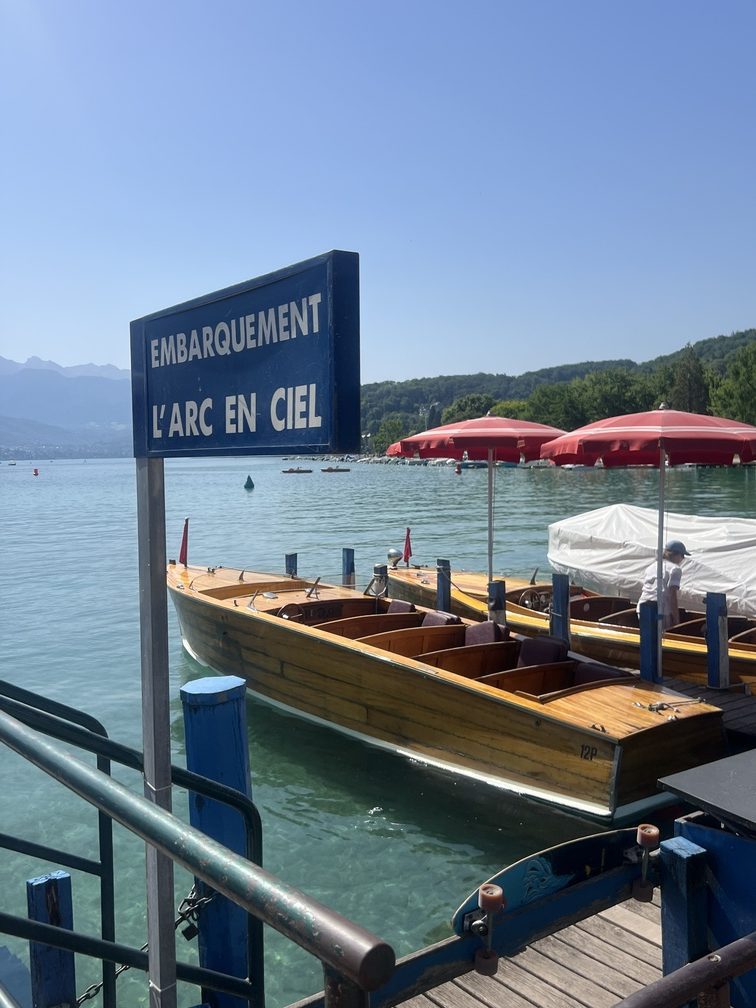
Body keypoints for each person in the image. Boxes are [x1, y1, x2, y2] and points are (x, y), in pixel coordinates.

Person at [636, 540, 691, 628]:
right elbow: (672, 595)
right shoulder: (675, 569)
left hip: (642, 607)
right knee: (661, 639)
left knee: (648, 636)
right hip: (661, 610)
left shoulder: (652, 566)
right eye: (682, 555)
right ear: (676, 555)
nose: (683, 558)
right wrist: (676, 618)